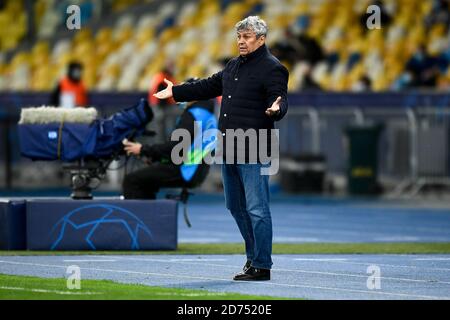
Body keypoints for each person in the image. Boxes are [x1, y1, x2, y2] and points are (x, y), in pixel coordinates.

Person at [153, 16, 289, 281]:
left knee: (257, 208)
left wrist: (276, 110)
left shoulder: (273, 68)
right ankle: (253, 259)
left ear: (261, 39)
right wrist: (176, 91)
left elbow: (279, 98)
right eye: (239, 36)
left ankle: (262, 265)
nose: (241, 40)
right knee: (235, 206)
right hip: (230, 146)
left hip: (256, 146)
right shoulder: (233, 66)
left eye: (247, 36)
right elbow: (208, 85)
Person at [122, 79, 217, 200]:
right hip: (196, 169)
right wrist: (157, 157)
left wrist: (142, 149)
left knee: (132, 181)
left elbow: (174, 148)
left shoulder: (194, 114)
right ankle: (148, 217)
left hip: (186, 169)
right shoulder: (207, 115)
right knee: (146, 182)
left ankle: (139, 219)